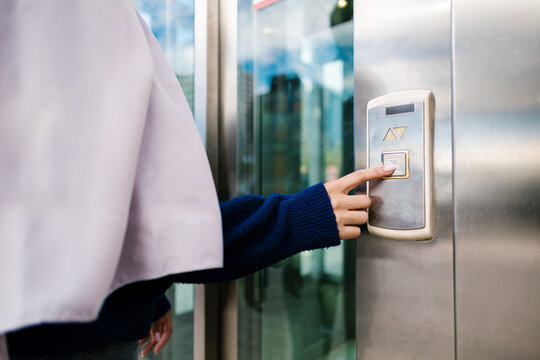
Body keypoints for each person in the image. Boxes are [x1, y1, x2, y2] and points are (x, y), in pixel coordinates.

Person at [0, 1, 396, 359]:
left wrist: (149, 297)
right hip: (67, 341)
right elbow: (167, 225)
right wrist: (298, 216)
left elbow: (101, 204)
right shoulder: (65, 19)